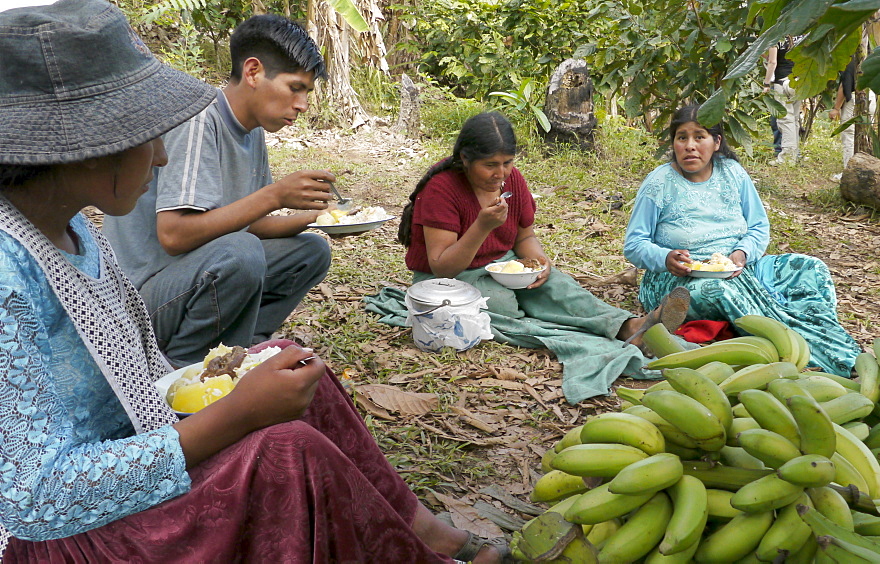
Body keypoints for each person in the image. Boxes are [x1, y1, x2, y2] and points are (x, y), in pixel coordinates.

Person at [0, 2, 509, 562]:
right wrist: (236, 413)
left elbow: (137, 371)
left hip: (136, 432)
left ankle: (418, 528)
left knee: (287, 362)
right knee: (284, 446)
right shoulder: (7, 278)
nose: (163, 153)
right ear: (84, 141)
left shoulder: (70, 228)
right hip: (65, 537)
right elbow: (36, 499)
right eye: (147, 135)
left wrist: (234, 384)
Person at [365, 112, 691, 404]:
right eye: (490, 165)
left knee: (560, 287)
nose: (500, 173)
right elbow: (442, 265)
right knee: (503, 305)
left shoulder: (513, 182)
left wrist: (539, 264)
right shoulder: (442, 189)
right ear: (465, 159)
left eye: (507, 162)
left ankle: (628, 326)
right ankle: (582, 338)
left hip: (500, 264)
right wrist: (481, 226)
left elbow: (525, 237)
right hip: (448, 280)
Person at [104, 14, 337, 368]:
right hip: (142, 297)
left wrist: (319, 218)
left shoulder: (253, 129)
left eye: (307, 92)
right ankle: (178, 366)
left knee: (311, 251)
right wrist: (274, 195)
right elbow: (174, 234)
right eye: (295, 88)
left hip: (196, 273)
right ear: (254, 72)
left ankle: (243, 350)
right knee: (241, 254)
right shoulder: (199, 118)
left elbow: (244, 223)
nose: (303, 104)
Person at [623, 103, 862, 376]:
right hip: (679, 280)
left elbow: (759, 226)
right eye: (682, 137)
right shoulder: (659, 182)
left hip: (739, 267)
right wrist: (665, 258)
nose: (690, 145)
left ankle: (826, 339)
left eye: (699, 136)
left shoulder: (733, 173)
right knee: (721, 291)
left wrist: (741, 254)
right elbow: (634, 244)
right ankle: (811, 359)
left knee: (811, 269)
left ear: (716, 142)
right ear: (674, 143)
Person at [763, 35, 802, 166]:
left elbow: (772, 61)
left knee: (785, 120)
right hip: (798, 81)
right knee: (795, 119)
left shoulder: (776, 38)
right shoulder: (800, 35)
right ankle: (795, 154)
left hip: (783, 82)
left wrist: (766, 83)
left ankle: (787, 158)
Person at [829, 58, 858, 180]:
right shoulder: (870, 55)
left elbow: (844, 86)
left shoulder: (849, 60)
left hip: (854, 99)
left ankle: (848, 172)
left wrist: (836, 108)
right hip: (871, 97)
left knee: (849, 134)